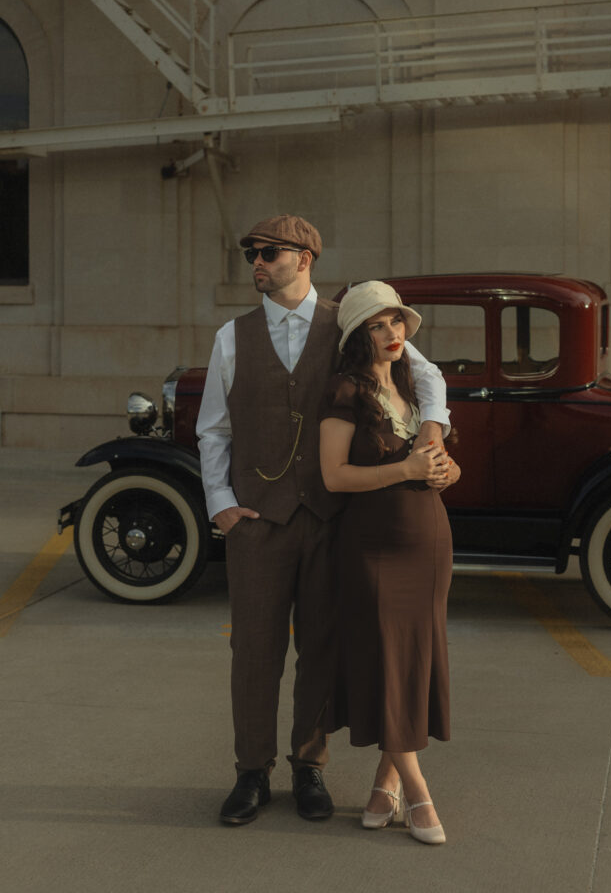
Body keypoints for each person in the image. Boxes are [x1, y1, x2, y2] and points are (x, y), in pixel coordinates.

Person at [196, 216, 451, 826]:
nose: (256, 261)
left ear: (305, 257)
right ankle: (251, 773)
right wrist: (220, 506)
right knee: (254, 652)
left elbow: (428, 375)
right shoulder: (232, 337)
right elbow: (213, 429)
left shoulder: (350, 319)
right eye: (250, 253)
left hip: (332, 520)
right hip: (257, 521)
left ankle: (309, 768)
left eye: (268, 253)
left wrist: (434, 445)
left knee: (321, 649)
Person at [319, 280, 460, 845]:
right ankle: (420, 790)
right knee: (384, 658)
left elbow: (443, 462)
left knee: (414, 660)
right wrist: (402, 471)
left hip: (428, 540)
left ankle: (386, 783)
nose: (392, 332)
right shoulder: (345, 391)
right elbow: (334, 476)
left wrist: (448, 471)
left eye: (396, 321)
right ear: (358, 336)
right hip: (372, 545)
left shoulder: (413, 384)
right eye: (378, 325)